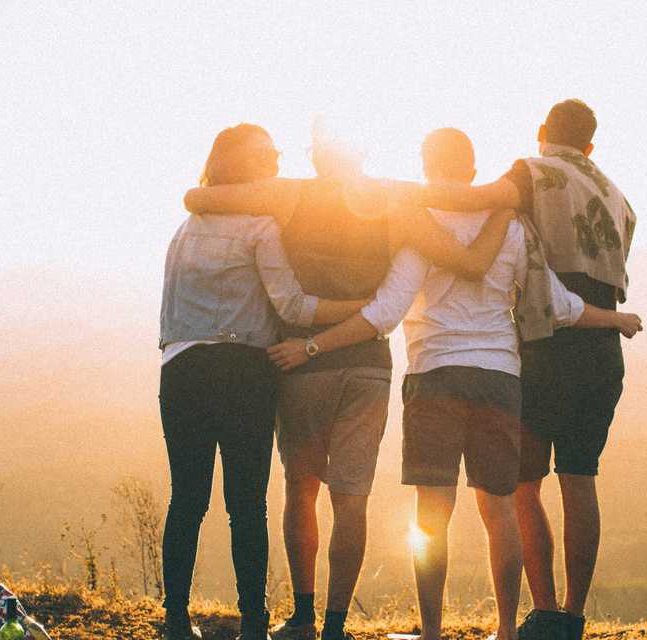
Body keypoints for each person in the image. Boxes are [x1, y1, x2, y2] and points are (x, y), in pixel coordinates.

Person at [269, 128, 642, 640]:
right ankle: (508, 631)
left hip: (435, 377)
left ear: (427, 167)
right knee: (500, 509)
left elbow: (385, 313)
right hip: (499, 378)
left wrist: (314, 345)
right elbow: (557, 304)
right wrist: (613, 319)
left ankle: (430, 632)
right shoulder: (511, 226)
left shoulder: (420, 227)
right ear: (472, 170)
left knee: (432, 513)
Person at [183, 123, 513, 640]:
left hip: (301, 362)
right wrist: (506, 201)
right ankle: (336, 624)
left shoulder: (288, 194)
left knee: (301, 488)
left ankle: (303, 619)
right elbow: (468, 260)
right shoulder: (396, 199)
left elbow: (199, 197)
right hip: (367, 366)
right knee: (351, 497)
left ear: (316, 157)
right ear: (363, 151)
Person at [410, 100, 638, 640]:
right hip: (601, 344)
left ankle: (543, 610)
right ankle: (572, 617)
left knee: (523, 485)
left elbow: (474, 199)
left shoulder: (531, 172)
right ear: (591, 145)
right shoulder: (617, 196)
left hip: (545, 343)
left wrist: (394, 197)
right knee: (580, 479)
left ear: (542, 133)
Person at [157, 124, 372, 640]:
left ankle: (175, 617)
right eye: (267, 155)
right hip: (244, 371)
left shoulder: (186, 228)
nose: (276, 160)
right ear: (243, 166)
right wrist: (365, 310)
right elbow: (294, 306)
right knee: (246, 503)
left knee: (187, 497)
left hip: (181, 368)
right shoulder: (260, 228)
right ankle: (254, 619)